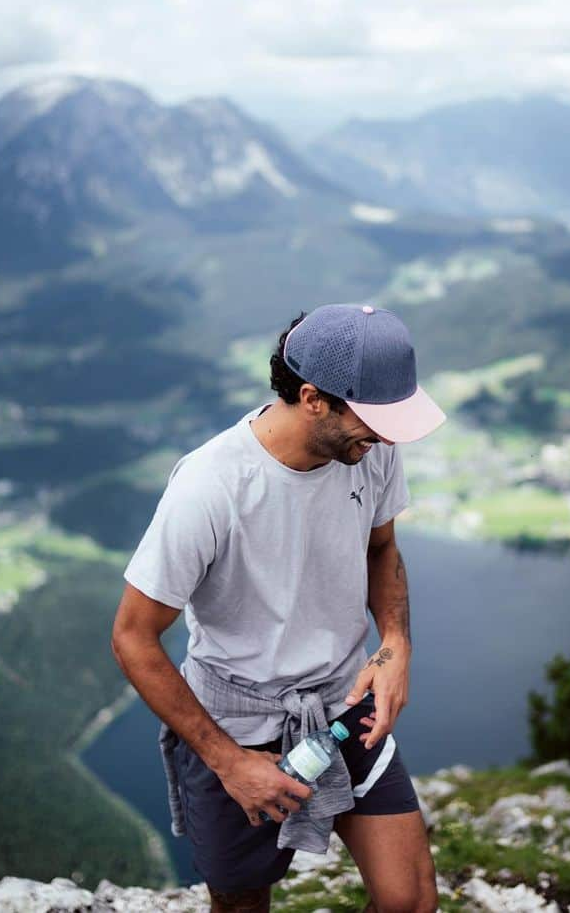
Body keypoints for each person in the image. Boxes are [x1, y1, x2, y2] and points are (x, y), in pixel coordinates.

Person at [111, 303, 446, 913]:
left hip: (343, 707)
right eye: (373, 420)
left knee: (410, 902)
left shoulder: (368, 449)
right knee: (241, 907)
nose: (388, 438)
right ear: (313, 397)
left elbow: (382, 546)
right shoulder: (211, 487)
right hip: (239, 727)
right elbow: (133, 637)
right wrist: (229, 762)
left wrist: (395, 647)